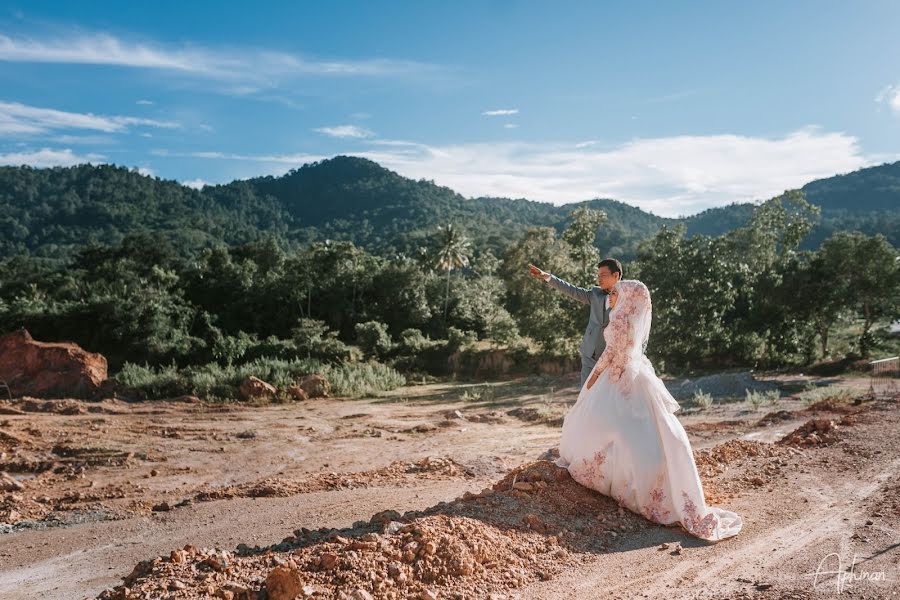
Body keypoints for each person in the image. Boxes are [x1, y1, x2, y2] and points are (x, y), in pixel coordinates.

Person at [555, 278, 742, 541]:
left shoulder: (620, 320)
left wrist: (593, 379)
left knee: (612, 427)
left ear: (627, 297)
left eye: (616, 293)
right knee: (648, 431)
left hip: (617, 376)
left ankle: (625, 483)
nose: (611, 298)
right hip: (631, 373)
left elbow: (612, 354)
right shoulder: (628, 318)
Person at [528, 259, 622, 386]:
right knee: (586, 394)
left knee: (609, 397)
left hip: (613, 358)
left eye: (603, 275)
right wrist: (547, 276)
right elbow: (571, 290)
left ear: (616, 275)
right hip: (590, 353)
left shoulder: (628, 298)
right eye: (598, 275)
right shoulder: (595, 293)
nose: (599, 279)